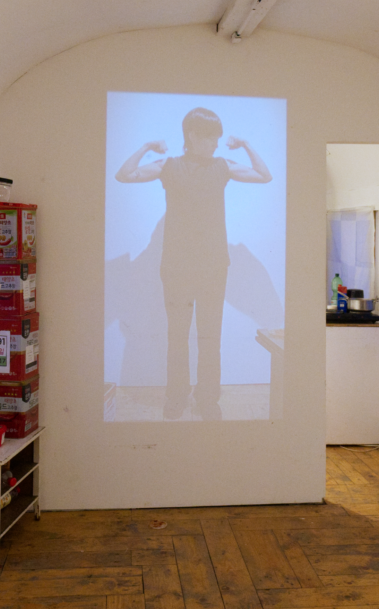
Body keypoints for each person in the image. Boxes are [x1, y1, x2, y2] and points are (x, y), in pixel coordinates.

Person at [115, 107, 271, 420]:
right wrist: (146, 146)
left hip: (214, 266)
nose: (216, 143)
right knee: (177, 337)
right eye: (210, 137)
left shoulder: (222, 166)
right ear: (192, 135)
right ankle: (176, 397)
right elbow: (125, 174)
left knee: (210, 337)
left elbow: (263, 175)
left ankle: (207, 399)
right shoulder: (169, 166)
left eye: (218, 137)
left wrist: (245, 144)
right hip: (176, 267)